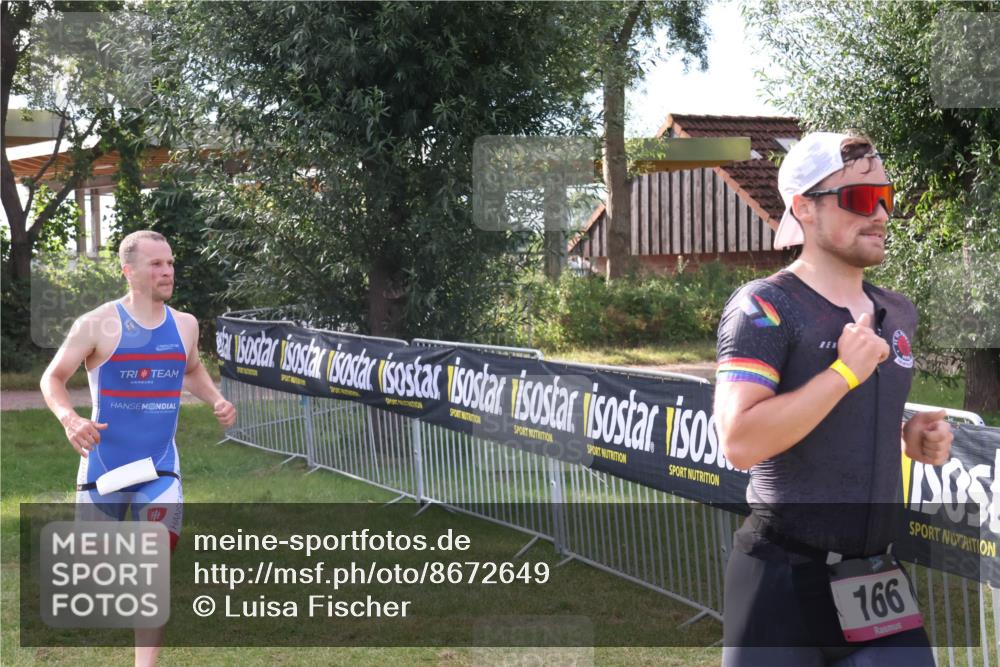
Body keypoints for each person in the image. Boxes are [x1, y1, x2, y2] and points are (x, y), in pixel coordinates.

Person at [714, 132, 954, 666]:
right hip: (781, 575)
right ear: (804, 208)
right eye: (861, 199)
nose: (881, 214)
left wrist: (908, 433)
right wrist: (844, 373)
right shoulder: (765, 306)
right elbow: (740, 441)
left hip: (874, 576)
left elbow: (845, 417)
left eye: (886, 197)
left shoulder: (897, 311)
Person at [40, 229, 236, 667]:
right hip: (104, 466)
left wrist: (216, 399)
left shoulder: (184, 325)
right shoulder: (96, 324)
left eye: (170, 263)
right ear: (129, 271)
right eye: (156, 264)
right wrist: (70, 418)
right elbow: (53, 377)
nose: (167, 272)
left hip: (159, 465)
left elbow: (191, 368)